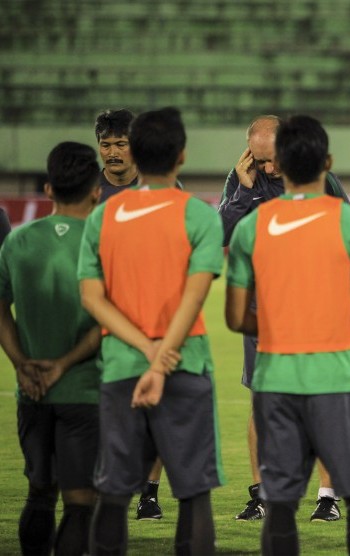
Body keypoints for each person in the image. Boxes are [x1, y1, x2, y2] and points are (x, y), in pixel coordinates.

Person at [226, 115, 350, 555]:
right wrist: (333, 334)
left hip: (274, 378)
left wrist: (283, 331)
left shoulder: (250, 227)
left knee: (278, 505)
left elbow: (237, 316)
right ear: (327, 161)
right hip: (334, 377)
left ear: (279, 164)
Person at [79, 107, 224, 555]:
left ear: (135, 152)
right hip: (185, 363)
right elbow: (194, 296)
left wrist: (142, 347)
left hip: (122, 365)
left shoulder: (103, 216)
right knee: (194, 493)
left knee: (114, 491)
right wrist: (162, 357)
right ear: (181, 156)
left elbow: (92, 298)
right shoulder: (200, 216)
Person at [218, 114, 350, 522]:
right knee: (262, 404)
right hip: (263, 313)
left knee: (321, 402)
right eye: (260, 162)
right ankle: (261, 494)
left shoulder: (319, 180)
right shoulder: (241, 181)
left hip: (313, 309)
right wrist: (243, 192)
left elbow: (346, 232)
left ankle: (327, 497)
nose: (269, 169)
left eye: (274, 160)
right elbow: (220, 235)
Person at [0, 142, 102, 555]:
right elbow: (106, 321)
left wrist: (24, 364)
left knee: (39, 493)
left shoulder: (17, 242)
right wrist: (62, 364)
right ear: (96, 190)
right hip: (85, 391)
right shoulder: (102, 242)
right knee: (80, 507)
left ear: (48, 188)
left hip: (32, 392)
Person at [94, 107, 169, 520]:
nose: (113, 152)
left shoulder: (157, 191)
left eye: (120, 143)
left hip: (148, 317)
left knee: (152, 408)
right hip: (98, 319)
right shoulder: (89, 193)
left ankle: (150, 492)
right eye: (106, 144)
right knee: (103, 412)